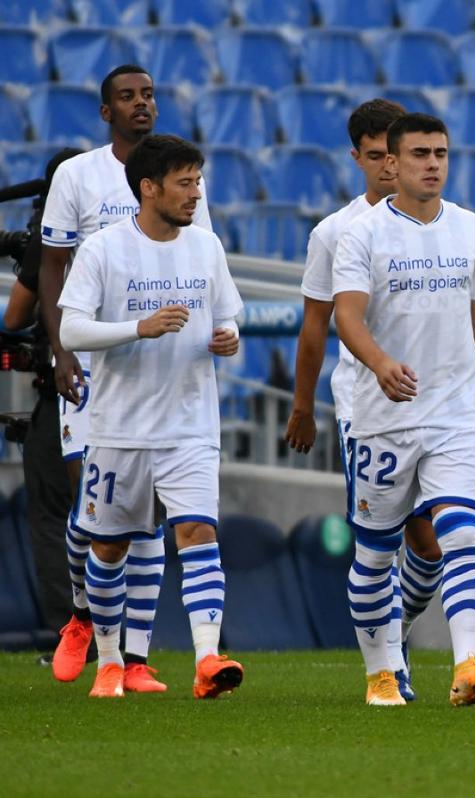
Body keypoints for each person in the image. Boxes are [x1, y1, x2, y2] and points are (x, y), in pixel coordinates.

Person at [40, 64, 213, 689]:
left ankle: (131, 658)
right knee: (94, 502)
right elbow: (52, 266)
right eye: (127, 96)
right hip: (95, 361)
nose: (142, 104)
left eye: (148, 94)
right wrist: (61, 351)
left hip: (159, 376)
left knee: (147, 515)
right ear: (105, 110)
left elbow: (201, 270)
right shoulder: (77, 175)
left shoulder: (183, 183)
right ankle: (82, 616)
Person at [57, 134, 244, 699]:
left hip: (190, 425)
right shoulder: (104, 250)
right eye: (184, 183)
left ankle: (207, 659)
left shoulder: (206, 247)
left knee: (197, 531)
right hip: (120, 429)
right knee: (109, 548)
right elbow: (70, 331)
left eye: (198, 182)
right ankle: (110, 661)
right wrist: (137, 327)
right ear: (149, 188)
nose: (195, 194)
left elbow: (232, 317)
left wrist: (227, 338)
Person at [332, 112, 475, 707]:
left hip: (453, 413)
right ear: (393, 163)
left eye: (441, 153)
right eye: (420, 154)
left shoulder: (473, 230)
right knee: (376, 554)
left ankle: (466, 665)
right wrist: (380, 363)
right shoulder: (363, 234)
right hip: (384, 419)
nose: (433, 164)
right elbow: (346, 315)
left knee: (460, 535)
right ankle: (380, 669)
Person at [283, 98, 433, 702]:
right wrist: (302, 405)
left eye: (393, 156)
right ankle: (387, 658)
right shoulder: (336, 233)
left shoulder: (437, 222)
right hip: (365, 408)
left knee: (431, 544)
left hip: (435, 404)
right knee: (383, 540)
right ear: (359, 157)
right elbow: (316, 325)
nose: (389, 169)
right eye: (375, 158)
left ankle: (394, 634)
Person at [3, 148, 83, 662]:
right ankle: (126, 640)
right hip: (133, 398)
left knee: (54, 516)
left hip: (66, 392)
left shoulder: (50, 241)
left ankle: (73, 635)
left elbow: (15, 315)